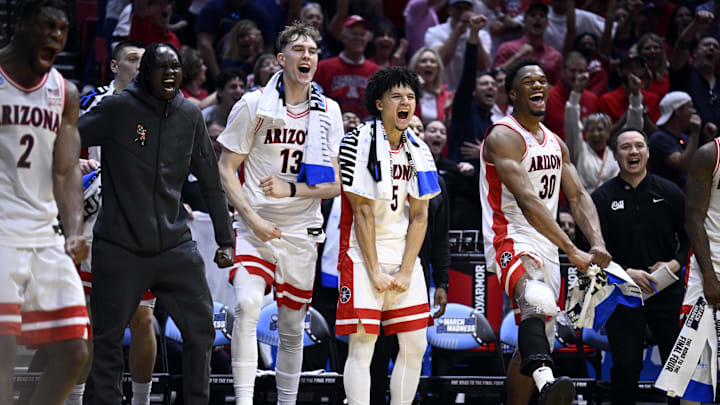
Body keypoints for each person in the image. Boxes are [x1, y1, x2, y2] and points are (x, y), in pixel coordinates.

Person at [78, 42, 235, 405]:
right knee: (107, 338)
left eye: (175, 68)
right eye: (161, 67)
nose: (169, 74)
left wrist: (226, 241)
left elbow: (210, 181)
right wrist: (76, 165)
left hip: (174, 246)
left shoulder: (190, 115)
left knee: (200, 332)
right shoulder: (117, 109)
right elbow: (67, 137)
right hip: (120, 246)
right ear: (146, 70)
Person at [217, 22, 344, 405]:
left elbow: (338, 183)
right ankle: (244, 400)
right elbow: (225, 168)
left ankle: (286, 402)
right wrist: (252, 219)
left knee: (292, 326)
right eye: (299, 50)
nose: (307, 56)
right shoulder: (253, 105)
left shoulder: (330, 112)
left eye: (313, 51)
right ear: (280, 59)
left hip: (301, 228)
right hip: (255, 226)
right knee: (247, 306)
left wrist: (292, 189)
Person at [479, 59, 611, 405]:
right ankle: (548, 382)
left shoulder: (555, 142)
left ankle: (534, 384)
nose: (538, 85)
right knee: (534, 299)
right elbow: (527, 200)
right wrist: (572, 248)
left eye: (542, 80)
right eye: (528, 82)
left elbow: (579, 196)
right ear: (512, 94)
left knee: (535, 337)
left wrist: (596, 242)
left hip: (548, 243)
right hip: (510, 233)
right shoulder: (503, 135)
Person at [0, 1, 90, 404]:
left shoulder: (64, 92)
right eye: (47, 26)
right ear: (20, 25)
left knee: (74, 354)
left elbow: (67, 171)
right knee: (2, 357)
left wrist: (74, 232)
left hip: (45, 234)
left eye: (63, 31)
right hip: (1, 232)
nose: (56, 36)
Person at [336, 66, 440, 405]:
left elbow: (421, 214)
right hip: (362, 254)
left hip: (403, 254)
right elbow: (362, 211)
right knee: (363, 344)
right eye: (396, 96)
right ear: (379, 103)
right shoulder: (355, 142)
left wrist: (408, 269)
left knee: (416, 343)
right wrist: (376, 270)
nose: (404, 102)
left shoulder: (421, 150)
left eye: (410, 96)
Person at [76, 40, 158, 405]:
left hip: (140, 225)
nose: (139, 66)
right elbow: (63, 155)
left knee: (142, 317)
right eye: (132, 60)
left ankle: (140, 401)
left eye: (145, 61)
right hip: (94, 222)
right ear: (113, 66)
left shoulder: (163, 108)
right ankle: (76, 399)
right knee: (87, 318)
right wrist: (77, 167)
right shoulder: (93, 104)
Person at [591, 129, 689, 405]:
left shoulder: (670, 192)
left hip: (666, 290)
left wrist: (673, 263)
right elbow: (592, 252)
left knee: (677, 365)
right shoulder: (600, 198)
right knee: (626, 366)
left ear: (648, 152)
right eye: (625, 147)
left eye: (638, 146)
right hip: (622, 293)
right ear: (615, 154)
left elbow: (689, 239)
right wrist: (626, 271)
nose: (633, 152)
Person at [673, 128, 720, 405]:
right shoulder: (709, 154)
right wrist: (710, 275)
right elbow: (692, 219)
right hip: (709, 265)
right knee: (692, 361)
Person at [448, 15, 496, 166]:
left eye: (493, 84)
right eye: (484, 84)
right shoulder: (464, 108)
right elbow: (469, 72)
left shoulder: (493, 123)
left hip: (481, 185)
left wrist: (484, 153)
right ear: (474, 92)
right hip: (458, 180)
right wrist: (474, 33)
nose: (490, 87)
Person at [314, 15, 379, 119]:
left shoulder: (376, 72)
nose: (358, 38)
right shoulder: (323, 67)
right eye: (354, 34)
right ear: (343, 37)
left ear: (367, 39)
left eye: (362, 34)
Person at [649, 91, 716, 190]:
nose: (694, 112)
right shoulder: (659, 138)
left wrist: (708, 139)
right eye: (690, 107)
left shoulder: (684, 138)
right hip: (669, 197)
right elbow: (683, 165)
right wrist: (695, 134)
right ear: (678, 111)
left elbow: (700, 166)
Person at [670, 10, 720, 131]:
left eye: (716, 47)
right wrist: (695, 24)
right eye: (706, 45)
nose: (711, 48)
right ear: (695, 53)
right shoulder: (684, 73)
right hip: (688, 143)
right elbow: (681, 46)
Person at [424, 0, 491, 90]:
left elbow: (483, 65)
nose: (463, 12)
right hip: (442, 91)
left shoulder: (482, 35)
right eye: (458, 8)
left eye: (467, 8)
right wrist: (458, 30)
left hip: (472, 94)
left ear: (473, 11)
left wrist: (474, 32)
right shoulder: (434, 32)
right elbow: (439, 61)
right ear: (449, 10)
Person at [492, 3, 563, 86]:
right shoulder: (507, 48)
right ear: (524, 22)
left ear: (547, 23)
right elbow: (494, 76)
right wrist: (518, 56)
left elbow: (558, 89)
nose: (538, 18)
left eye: (542, 16)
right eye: (532, 15)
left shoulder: (555, 56)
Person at [544, 51, 598, 140]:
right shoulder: (548, 98)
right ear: (563, 72)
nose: (577, 76)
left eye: (581, 71)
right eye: (573, 71)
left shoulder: (592, 99)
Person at [408, 47, 453, 124]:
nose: (428, 64)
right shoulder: (407, 94)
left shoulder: (447, 97)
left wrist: (447, 115)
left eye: (433, 62)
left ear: (438, 68)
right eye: (423, 61)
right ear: (416, 68)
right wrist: (415, 90)